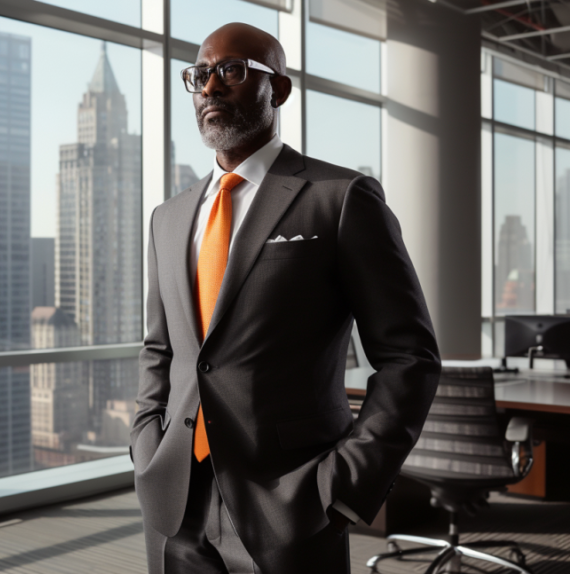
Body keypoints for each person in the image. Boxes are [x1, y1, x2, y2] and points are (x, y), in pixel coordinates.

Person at [130, 22, 441, 573]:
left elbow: (408, 357)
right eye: (200, 75)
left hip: (294, 506)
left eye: (232, 70)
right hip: (176, 504)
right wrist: (146, 449)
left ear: (278, 90)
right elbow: (163, 349)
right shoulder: (168, 218)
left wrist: (344, 484)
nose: (210, 88)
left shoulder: (340, 199)